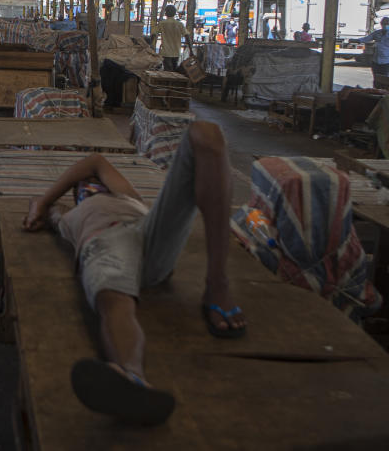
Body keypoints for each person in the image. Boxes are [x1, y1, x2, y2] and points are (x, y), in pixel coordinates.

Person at [22, 121, 246, 425]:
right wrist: (43, 205)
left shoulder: (125, 195)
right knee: (115, 301)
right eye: (82, 189)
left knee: (206, 134)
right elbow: (41, 211)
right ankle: (131, 375)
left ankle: (217, 283)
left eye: (91, 184)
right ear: (76, 196)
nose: (88, 187)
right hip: (106, 243)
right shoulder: (69, 215)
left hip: (148, 235)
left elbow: (95, 162)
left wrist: (48, 197)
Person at [155, 5, 188, 71]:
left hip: (166, 52)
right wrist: (191, 50)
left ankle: (169, 81)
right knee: (174, 69)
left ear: (166, 13)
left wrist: (151, 45)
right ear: (175, 13)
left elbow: (154, 34)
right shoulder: (179, 24)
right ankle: (174, 81)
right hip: (176, 52)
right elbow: (187, 35)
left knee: (168, 70)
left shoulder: (162, 23)